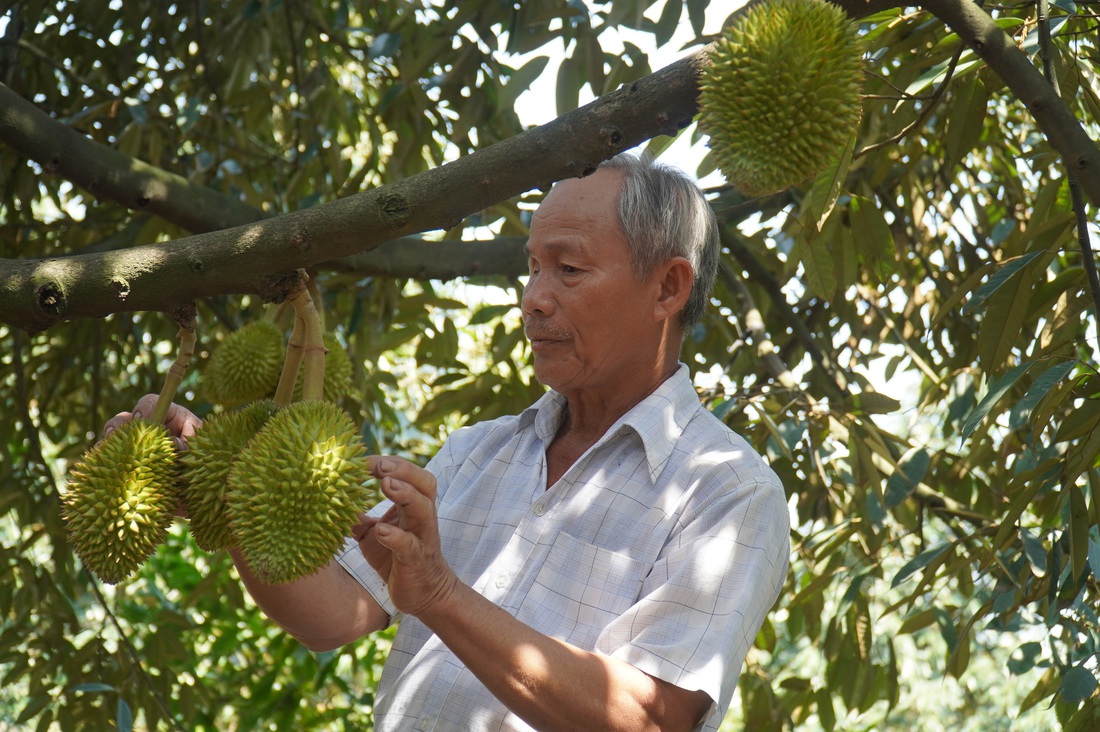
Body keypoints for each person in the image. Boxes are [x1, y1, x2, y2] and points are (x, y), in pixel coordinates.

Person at [106, 153, 790, 731]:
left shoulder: (726, 491)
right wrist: (220, 495)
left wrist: (438, 593)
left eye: (569, 270)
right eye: (531, 267)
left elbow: (648, 716)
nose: (533, 298)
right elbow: (332, 615)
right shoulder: (477, 453)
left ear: (668, 286)